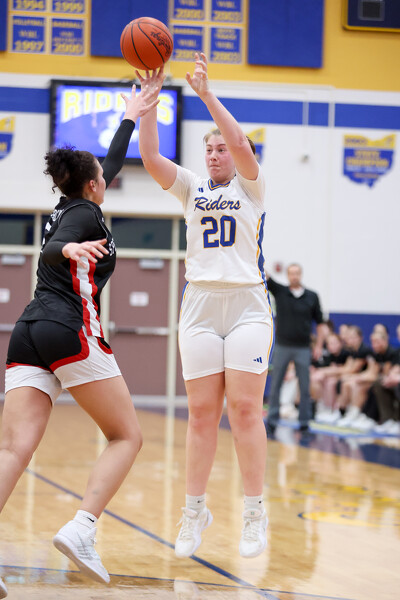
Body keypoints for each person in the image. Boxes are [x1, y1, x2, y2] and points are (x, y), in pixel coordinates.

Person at [0, 85, 158, 596]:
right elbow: (50, 250)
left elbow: (110, 163)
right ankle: (83, 527)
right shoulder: (84, 217)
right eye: (103, 179)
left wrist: (130, 116)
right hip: (69, 328)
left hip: (28, 333)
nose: (108, 180)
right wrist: (64, 249)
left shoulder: (71, 204)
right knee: (127, 436)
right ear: (93, 186)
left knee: (14, 448)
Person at [137, 54, 274, 559]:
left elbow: (239, 142)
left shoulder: (251, 186)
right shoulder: (191, 187)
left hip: (247, 305)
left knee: (245, 409)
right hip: (199, 304)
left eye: (221, 149)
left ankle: (255, 512)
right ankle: (194, 510)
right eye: (209, 149)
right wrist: (148, 105)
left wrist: (206, 95)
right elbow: (151, 157)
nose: (216, 154)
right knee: (200, 415)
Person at [265, 264, 325, 435]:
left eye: (297, 273)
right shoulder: (280, 291)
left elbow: (320, 323)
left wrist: (319, 345)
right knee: (276, 385)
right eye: (291, 273)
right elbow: (266, 275)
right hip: (282, 346)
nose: (294, 276)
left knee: (305, 386)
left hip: (303, 348)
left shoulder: (312, 296)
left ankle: (304, 422)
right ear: (287, 275)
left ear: (301, 274)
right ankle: (272, 421)